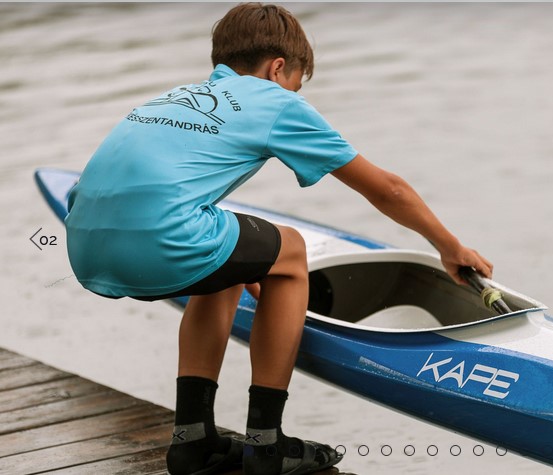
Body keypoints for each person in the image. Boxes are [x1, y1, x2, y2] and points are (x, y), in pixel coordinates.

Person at [64, 3, 493, 475]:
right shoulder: (274, 100)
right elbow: (387, 189)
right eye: (296, 84)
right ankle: (267, 446)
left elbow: (92, 192)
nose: (295, 94)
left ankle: (193, 442)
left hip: (83, 248)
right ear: (278, 68)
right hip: (159, 244)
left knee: (224, 262)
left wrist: (244, 264)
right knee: (290, 251)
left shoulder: (166, 100)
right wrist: (448, 246)